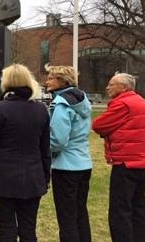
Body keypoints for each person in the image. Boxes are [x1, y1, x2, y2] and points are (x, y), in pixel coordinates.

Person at [0, 64, 50, 242]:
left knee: (6, 229)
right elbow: (45, 149)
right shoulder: (41, 110)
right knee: (29, 229)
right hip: (33, 177)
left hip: (3, 177)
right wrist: (45, 177)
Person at [92, 73, 145, 242]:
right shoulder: (141, 101)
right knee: (138, 206)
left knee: (120, 210)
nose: (108, 87)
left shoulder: (122, 104)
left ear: (124, 87)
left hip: (125, 163)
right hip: (142, 161)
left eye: (112, 84)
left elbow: (98, 125)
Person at [45, 65, 92, 242]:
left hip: (66, 168)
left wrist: (41, 149)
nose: (47, 81)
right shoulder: (83, 100)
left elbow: (57, 140)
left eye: (50, 77)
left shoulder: (61, 103)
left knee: (67, 218)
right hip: (84, 164)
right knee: (80, 213)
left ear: (62, 81)